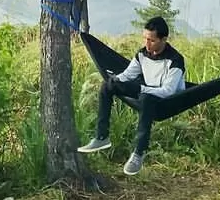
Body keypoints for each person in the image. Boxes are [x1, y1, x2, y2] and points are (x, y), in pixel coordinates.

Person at [77, 16, 186, 175]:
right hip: (146, 90)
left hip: (169, 100)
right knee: (107, 87)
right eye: (145, 39)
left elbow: (168, 91)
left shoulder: (175, 60)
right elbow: (127, 75)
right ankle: (102, 137)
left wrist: (140, 89)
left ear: (164, 39)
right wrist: (115, 81)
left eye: (152, 40)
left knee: (146, 99)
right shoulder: (142, 54)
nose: (147, 44)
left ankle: (138, 153)